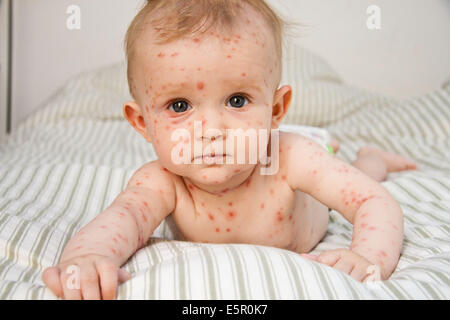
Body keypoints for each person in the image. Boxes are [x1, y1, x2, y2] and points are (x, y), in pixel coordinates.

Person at [42, 0, 417, 299]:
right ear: (142, 123)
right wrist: (89, 259)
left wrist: (367, 257)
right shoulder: (162, 181)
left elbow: (373, 202)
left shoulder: (290, 158)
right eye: (179, 106)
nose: (211, 131)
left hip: (309, 159)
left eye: (237, 100)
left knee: (358, 176)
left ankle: (371, 157)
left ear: (274, 109)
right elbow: (121, 221)